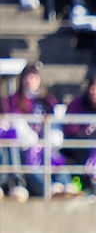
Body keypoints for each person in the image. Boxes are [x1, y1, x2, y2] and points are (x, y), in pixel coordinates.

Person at [1, 63, 71, 197]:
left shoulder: (47, 100)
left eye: (34, 77)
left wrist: (49, 140)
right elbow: (14, 124)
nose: (30, 80)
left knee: (54, 160)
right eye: (28, 76)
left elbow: (54, 123)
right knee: (33, 166)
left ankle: (67, 187)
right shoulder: (13, 100)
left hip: (45, 146)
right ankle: (50, 190)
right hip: (25, 148)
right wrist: (32, 140)